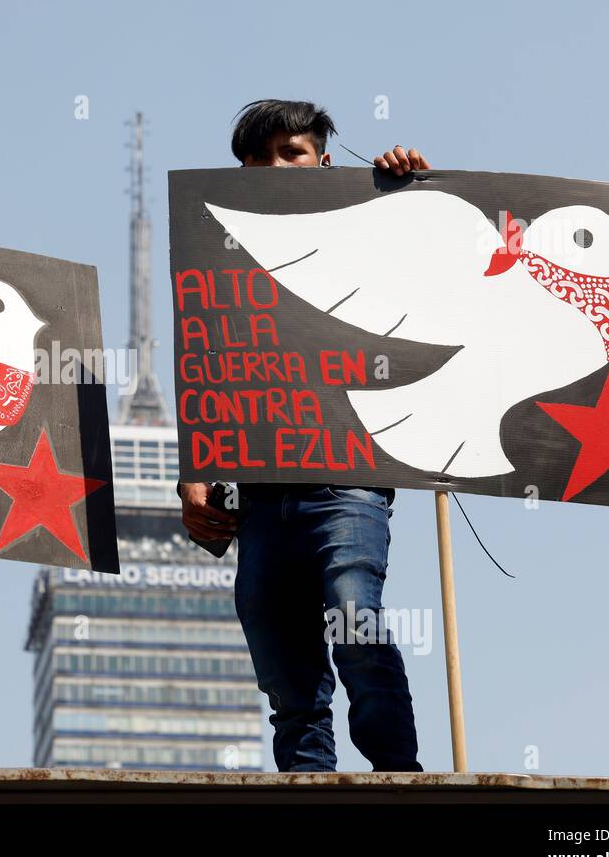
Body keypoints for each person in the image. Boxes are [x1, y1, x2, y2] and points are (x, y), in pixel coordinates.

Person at [178, 99, 430, 772]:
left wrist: (398, 191)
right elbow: (206, 364)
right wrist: (194, 475)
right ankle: (308, 790)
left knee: (356, 625)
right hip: (262, 504)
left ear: (324, 160)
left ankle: (397, 779)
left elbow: (431, 277)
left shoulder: (365, 231)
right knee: (286, 678)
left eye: (290, 153)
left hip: (348, 488)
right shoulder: (225, 259)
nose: (275, 168)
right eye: (258, 159)